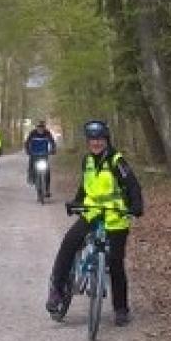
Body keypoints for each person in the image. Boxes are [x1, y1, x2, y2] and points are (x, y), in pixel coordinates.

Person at [45, 120, 143, 327]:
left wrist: (136, 206)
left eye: (100, 139)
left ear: (106, 140)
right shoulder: (87, 161)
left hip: (115, 216)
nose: (96, 143)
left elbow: (133, 185)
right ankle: (57, 289)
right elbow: (85, 186)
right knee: (69, 243)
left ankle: (121, 309)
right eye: (92, 140)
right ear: (88, 142)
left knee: (116, 262)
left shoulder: (117, 161)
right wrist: (76, 202)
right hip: (91, 213)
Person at [24, 120, 57, 194]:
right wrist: (27, 150)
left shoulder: (47, 133)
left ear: (44, 128)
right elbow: (27, 142)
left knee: (47, 172)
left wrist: (53, 149)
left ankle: (47, 189)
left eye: (42, 127)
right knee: (31, 165)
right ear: (37, 127)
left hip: (44, 154)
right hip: (34, 154)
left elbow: (52, 142)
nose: (41, 129)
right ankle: (31, 177)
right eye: (39, 127)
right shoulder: (32, 133)